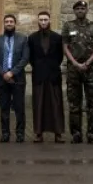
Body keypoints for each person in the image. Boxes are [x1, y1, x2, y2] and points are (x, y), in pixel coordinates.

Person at [62, 0, 93, 144]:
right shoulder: (68, 26)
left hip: (90, 69)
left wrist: (87, 62)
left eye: (82, 8)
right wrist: (75, 63)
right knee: (74, 103)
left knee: (92, 103)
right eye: (77, 8)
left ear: (86, 10)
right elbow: (65, 46)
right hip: (73, 69)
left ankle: (91, 133)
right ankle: (76, 133)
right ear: (74, 11)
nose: (80, 10)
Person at [27, 11, 64, 143]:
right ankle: (38, 133)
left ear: (50, 21)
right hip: (39, 74)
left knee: (56, 104)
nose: (43, 22)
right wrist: (39, 66)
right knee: (38, 104)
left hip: (53, 75)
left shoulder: (57, 38)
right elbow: (30, 57)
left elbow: (60, 56)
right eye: (41, 20)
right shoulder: (32, 38)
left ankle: (58, 133)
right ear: (38, 21)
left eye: (45, 20)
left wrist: (52, 66)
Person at [0, 14, 29, 142]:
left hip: (18, 79)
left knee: (19, 108)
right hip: (2, 79)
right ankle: (5, 133)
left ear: (15, 23)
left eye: (11, 21)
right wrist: (3, 73)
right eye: (6, 21)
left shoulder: (23, 39)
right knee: (4, 108)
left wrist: (12, 72)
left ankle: (20, 133)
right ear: (4, 23)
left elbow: (25, 59)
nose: (8, 23)